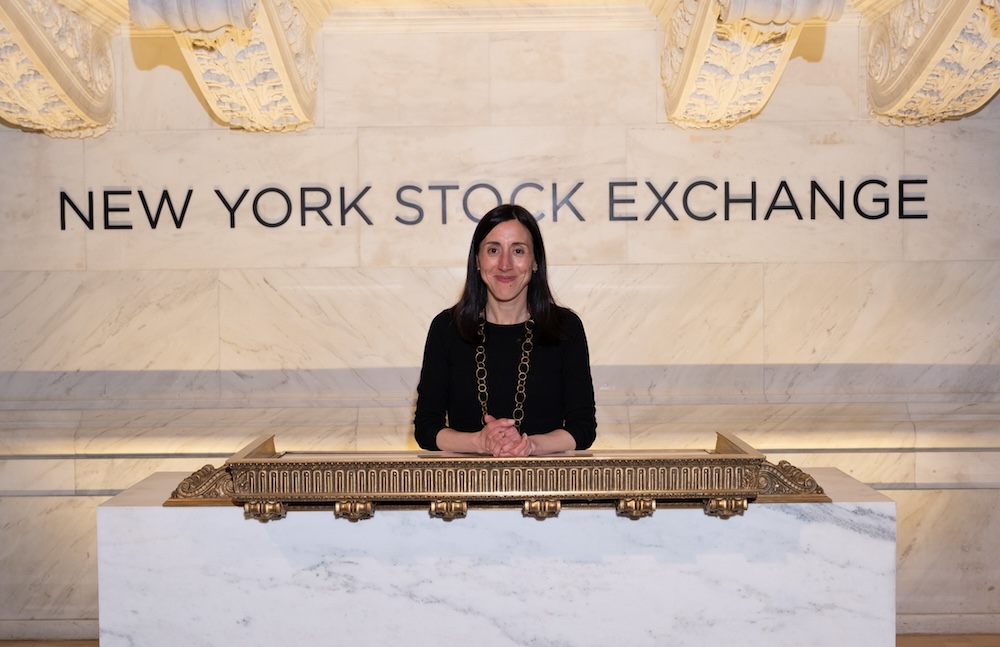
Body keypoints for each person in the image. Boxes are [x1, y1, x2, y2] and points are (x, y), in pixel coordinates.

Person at [413, 203, 597, 456]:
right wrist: (479, 442)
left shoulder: (566, 328)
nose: (505, 264)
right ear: (477, 260)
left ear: (535, 262)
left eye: (518, 251)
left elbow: (583, 429)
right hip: (465, 487)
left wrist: (531, 445)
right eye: (493, 250)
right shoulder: (447, 328)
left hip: (547, 487)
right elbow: (426, 429)